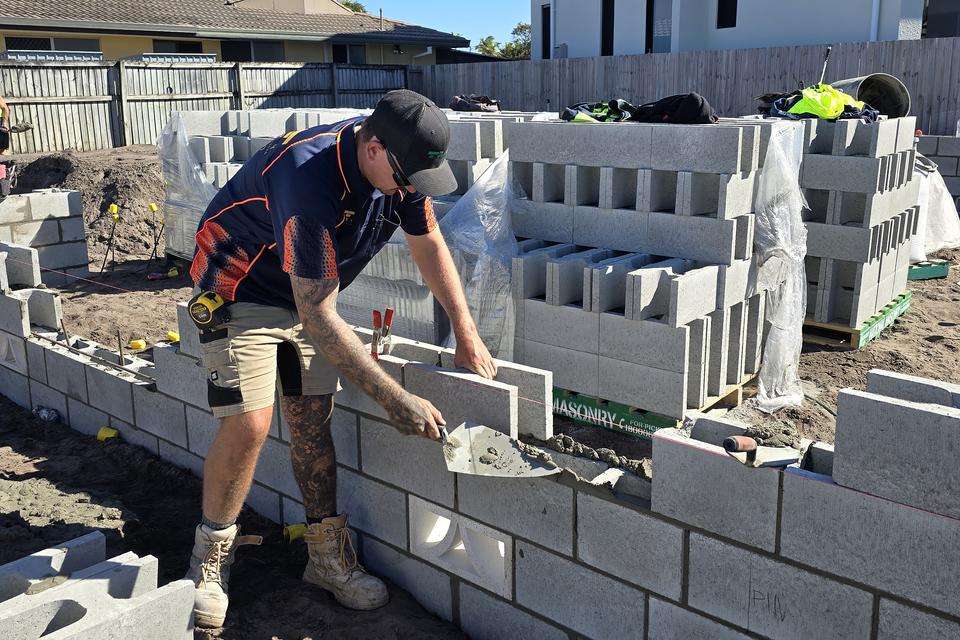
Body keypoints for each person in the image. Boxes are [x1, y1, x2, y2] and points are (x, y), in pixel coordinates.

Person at [185, 89, 497, 628]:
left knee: (312, 420)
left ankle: (326, 559)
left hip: (306, 292)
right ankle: (210, 559)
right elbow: (318, 315)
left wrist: (467, 334)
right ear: (373, 149)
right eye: (403, 180)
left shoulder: (398, 162)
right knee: (251, 424)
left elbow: (429, 243)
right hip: (241, 288)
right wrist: (394, 398)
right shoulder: (309, 179)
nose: (407, 192)